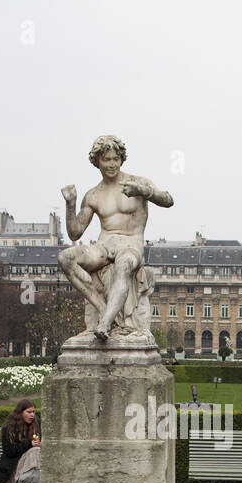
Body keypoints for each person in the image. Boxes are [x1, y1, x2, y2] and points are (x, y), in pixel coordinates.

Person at [58, 135, 174, 341]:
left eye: (115, 159)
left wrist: (145, 192)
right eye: (106, 160)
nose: (112, 164)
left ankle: (105, 323)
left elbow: (168, 201)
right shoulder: (93, 195)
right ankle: (103, 309)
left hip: (131, 244)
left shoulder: (137, 183)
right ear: (97, 162)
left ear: (121, 159)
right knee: (66, 258)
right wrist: (70, 204)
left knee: (123, 265)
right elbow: (75, 233)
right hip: (103, 246)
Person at [0, 400, 41, 483]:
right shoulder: (9, 427)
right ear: (20, 412)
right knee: (34, 451)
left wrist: (39, 444)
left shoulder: (36, 424)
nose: (32, 415)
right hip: (14, 461)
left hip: (33, 461)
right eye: (29, 412)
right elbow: (9, 451)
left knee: (36, 452)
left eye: (33, 412)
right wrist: (29, 444)